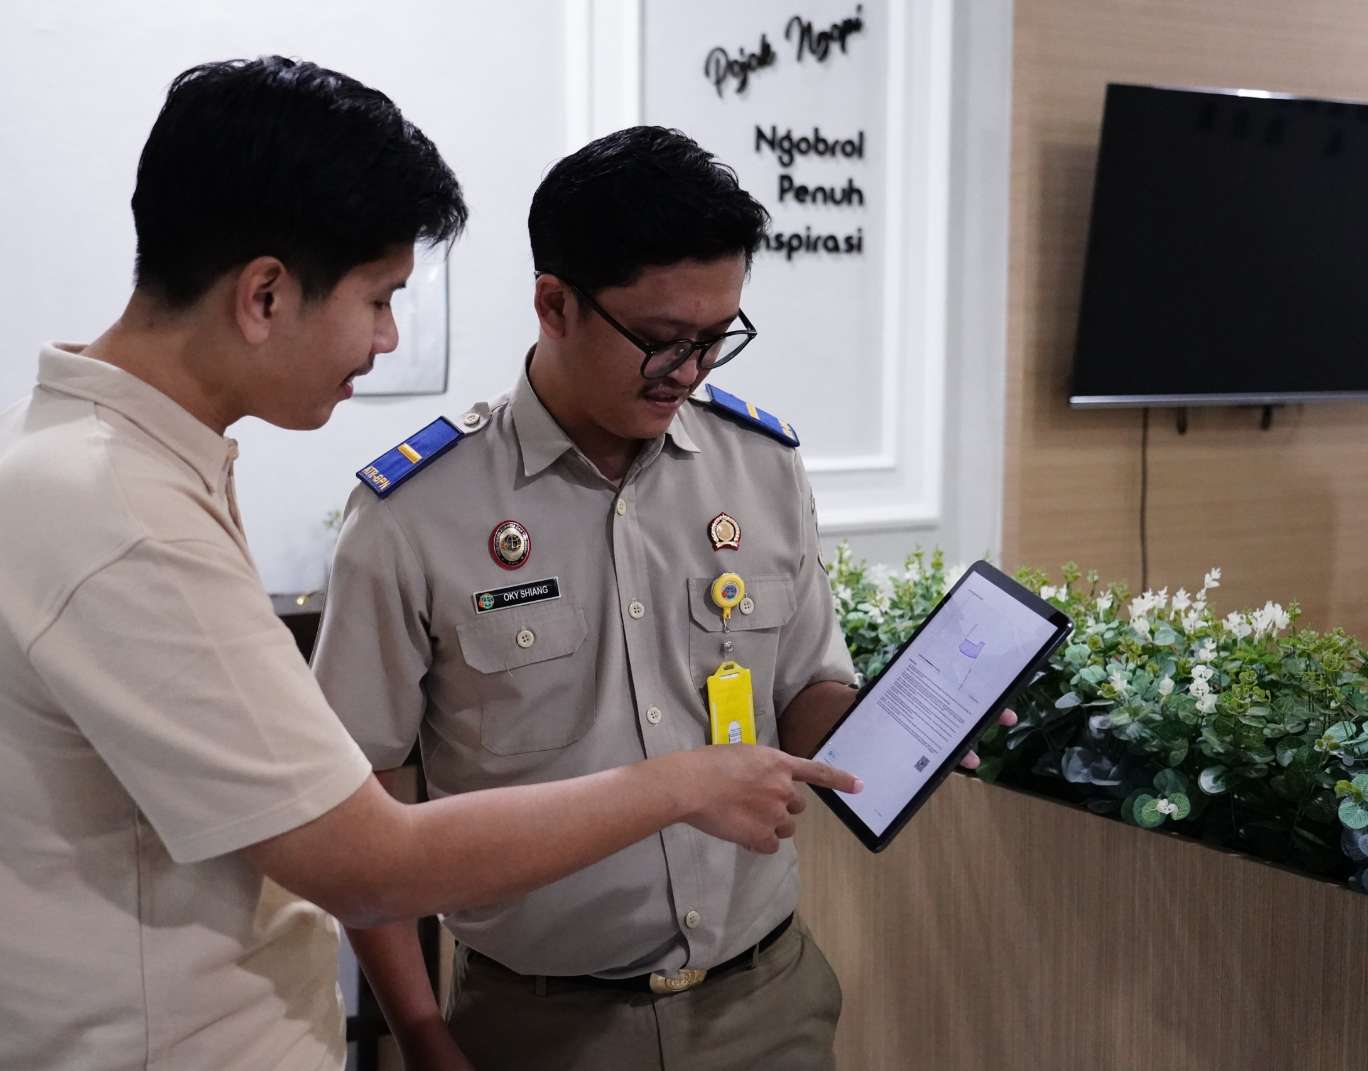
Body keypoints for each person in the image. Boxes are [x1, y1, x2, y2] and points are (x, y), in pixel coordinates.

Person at [0, 64, 859, 1071]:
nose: (388, 338)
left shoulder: (30, 450)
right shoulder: (127, 514)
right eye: (380, 298)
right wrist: (679, 785)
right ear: (265, 294)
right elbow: (370, 862)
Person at [318, 126, 1015, 1071]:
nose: (688, 370)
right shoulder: (415, 514)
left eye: (715, 338)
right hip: (536, 1025)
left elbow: (804, 688)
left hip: (764, 1001)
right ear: (554, 304)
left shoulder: (761, 466)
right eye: (658, 340)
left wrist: (907, 728)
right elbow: (364, 795)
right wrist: (422, 1032)